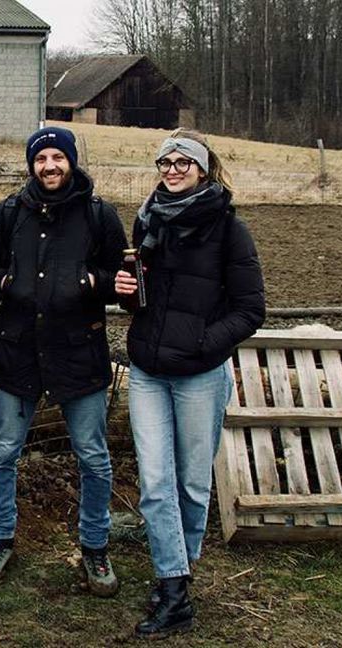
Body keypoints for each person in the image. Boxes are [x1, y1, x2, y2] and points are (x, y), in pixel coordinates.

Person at [114, 129, 265, 639]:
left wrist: (204, 343)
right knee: (155, 483)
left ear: (203, 169)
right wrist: (126, 293)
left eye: (184, 162)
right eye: (166, 161)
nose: (173, 168)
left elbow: (251, 309)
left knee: (191, 485)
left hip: (200, 375)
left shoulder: (229, 229)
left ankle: (178, 570)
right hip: (149, 372)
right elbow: (142, 299)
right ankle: (174, 587)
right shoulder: (147, 218)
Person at [0, 126, 127, 596]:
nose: (50, 166)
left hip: (79, 351)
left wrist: (88, 282)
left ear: (72, 161)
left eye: (58, 158)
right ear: (31, 166)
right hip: (18, 350)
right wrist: (6, 285)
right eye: (41, 160)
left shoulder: (99, 216)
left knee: (94, 457)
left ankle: (95, 547)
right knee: (2, 453)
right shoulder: (9, 214)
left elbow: (119, 275)